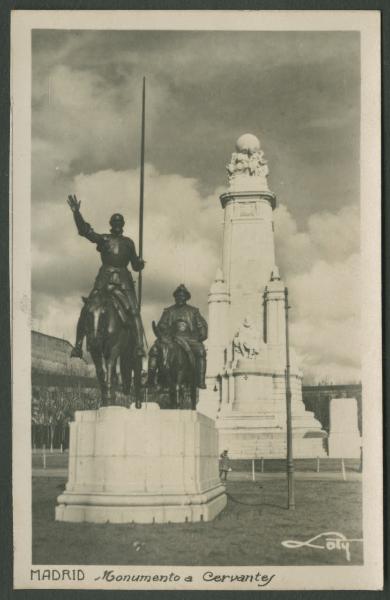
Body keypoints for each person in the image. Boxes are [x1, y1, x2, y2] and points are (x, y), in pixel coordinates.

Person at [66, 194, 145, 358]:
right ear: (111, 225)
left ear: (123, 225)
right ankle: (78, 345)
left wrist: (139, 264)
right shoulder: (104, 239)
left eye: (119, 223)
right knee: (88, 308)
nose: (117, 225)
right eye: (114, 223)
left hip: (124, 279)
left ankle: (139, 346)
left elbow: (135, 265)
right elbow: (85, 231)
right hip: (105, 277)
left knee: (135, 311)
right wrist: (76, 213)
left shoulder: (129, 243)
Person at [148, 284, 208, 389]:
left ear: (186, 297)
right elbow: (162, 325)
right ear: (175, 297)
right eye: (178, 296)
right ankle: (150, 380)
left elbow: (201, 325)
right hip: (171, 338)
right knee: (154, 350)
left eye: (182, 295)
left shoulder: (194, 311)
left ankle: (200, 380)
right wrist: (162, 332)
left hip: (189, 339)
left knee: (201, 351)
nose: (180, 297)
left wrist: (201, 336)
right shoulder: (168, 311)